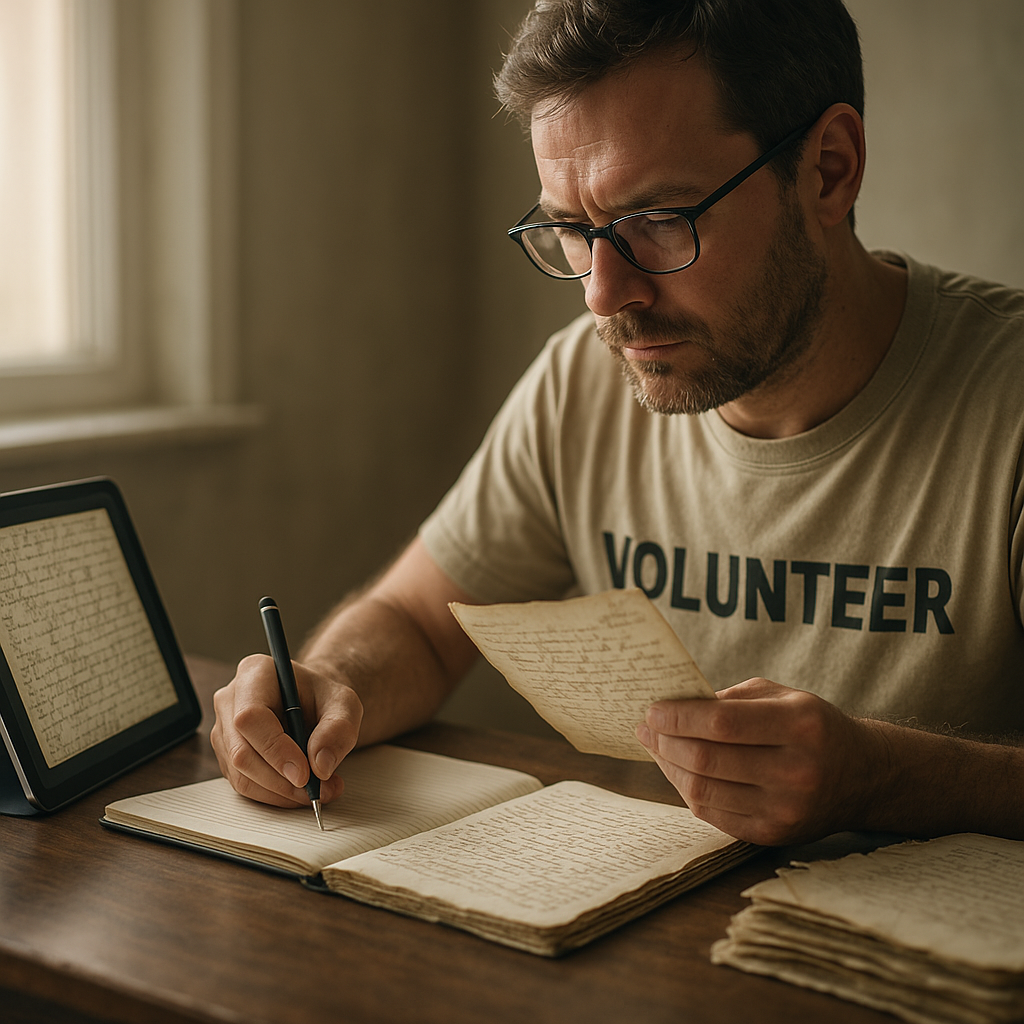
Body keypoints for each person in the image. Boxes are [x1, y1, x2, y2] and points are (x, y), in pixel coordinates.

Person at [211, 0, 1024, 846]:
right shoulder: (582, 382)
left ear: (828, 169)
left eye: (658, 220)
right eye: (571, 229)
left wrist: (884, 778)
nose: (604, 295)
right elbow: (417, 621)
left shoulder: (1008, 404)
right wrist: (330, 682)